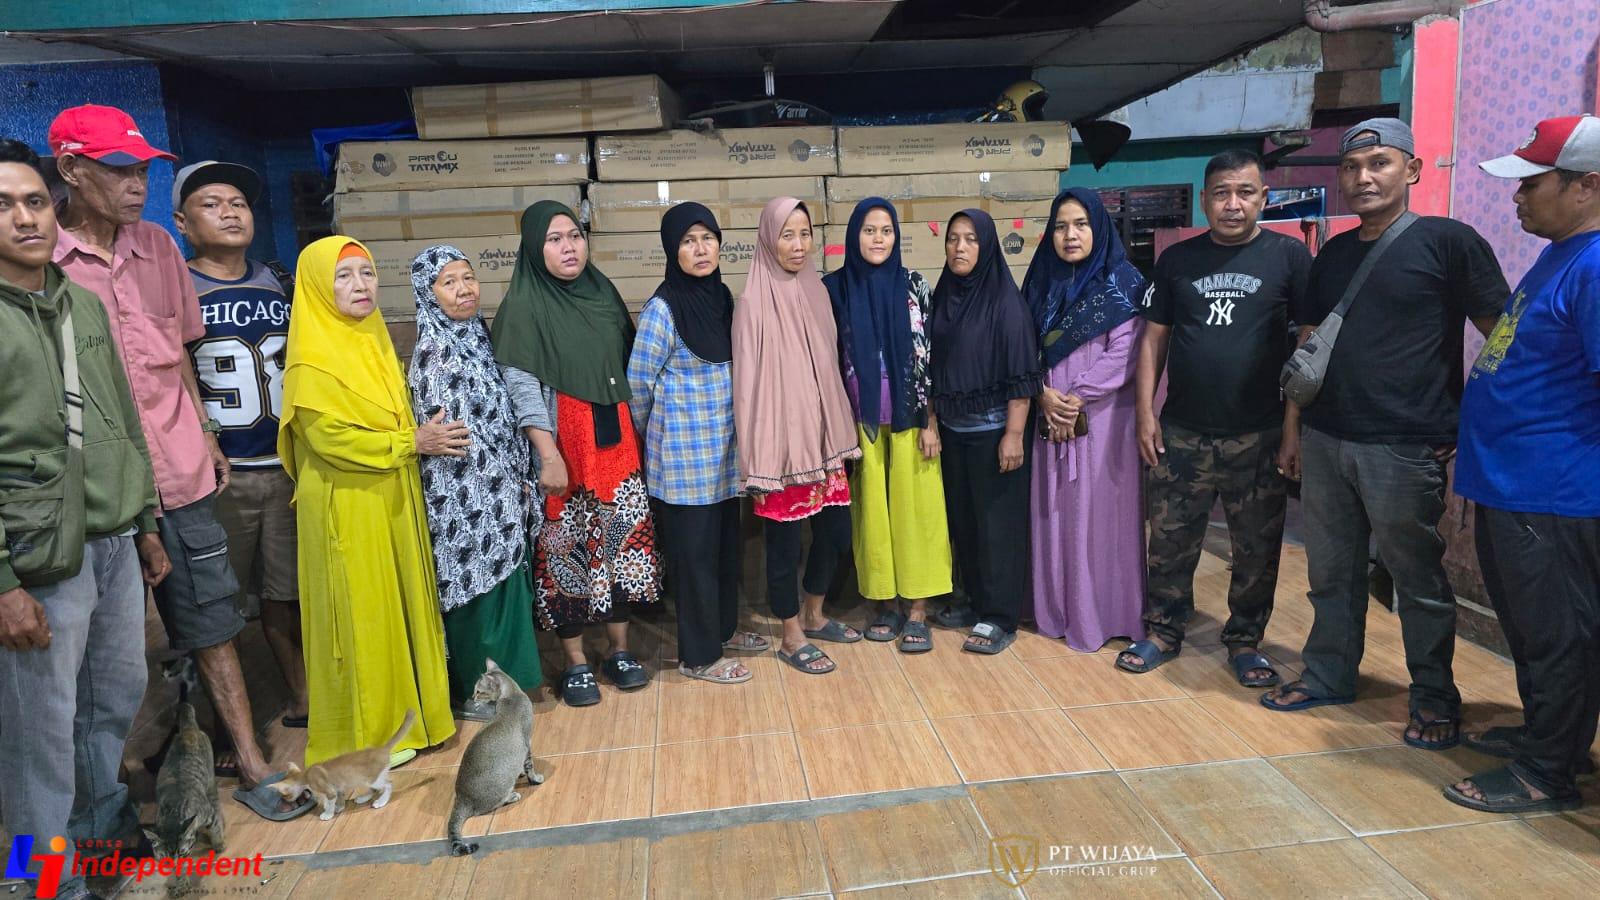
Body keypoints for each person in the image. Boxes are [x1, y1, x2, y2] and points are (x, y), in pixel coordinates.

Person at [1263, 119, 1509, 754]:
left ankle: (1434, 698)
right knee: (1331, 573)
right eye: (1351, 167)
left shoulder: (1449, 243)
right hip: (1326, 437)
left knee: (1416, 580)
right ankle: (1328, 674)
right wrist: (1293, 429)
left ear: (1413, 170)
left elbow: (1501, 340)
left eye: (1379, 163)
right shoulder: (1333, 254)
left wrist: (1473, 422)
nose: (1363, 177)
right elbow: (1308, 346)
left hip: (1404, 446)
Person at [48, 105, 276, 791]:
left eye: (142, 171)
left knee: (212, 617)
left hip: (178, 471)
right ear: (71, 170)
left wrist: (204, 433)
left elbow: (179, 356)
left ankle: (251, 761)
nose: (135, 185)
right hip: (95, 487)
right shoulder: (45, 262)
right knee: (103, 647)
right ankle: (108, 792)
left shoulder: (157, 248)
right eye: (118, 169)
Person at [0, 137, 170, 900]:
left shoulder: (83, 305)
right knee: (35, 737)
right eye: (4, 206)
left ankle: (97, 845)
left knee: (111, 705)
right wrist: (4, 584)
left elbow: (123, 419)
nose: (25, 218)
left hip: (114, 540)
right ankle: (39, 883)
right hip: (37, 557)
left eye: (35, 201)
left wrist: (147, 521)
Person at [1444, 114, 1600, 814]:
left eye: (1533, 184)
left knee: (1560, 635)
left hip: (1555, 493)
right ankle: (1548, 738)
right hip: (1513, 485)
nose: (1517, 196)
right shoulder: (1561, 253)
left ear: (1586, 186)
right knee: (1534, 631)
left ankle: (1547, 772)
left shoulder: (1596, 266)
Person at [1117, 151, 1310, 683]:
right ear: (1204, 200)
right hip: (1183, 431)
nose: (1232, 204)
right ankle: (1164, 630)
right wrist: (1145, 414)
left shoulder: (1289, 258)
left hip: (1260, 432)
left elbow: (1307, 344)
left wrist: (1292, 427)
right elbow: (1153, 340)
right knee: (1170, 540)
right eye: (1221, 193)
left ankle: (1245, 641)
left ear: (1263, 197)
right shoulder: (1177, 261)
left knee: (1256, 547)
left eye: (1245, 192)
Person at [279, 236, 455, 767]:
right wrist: (411, 442)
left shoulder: (374, 340)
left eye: (367, 273)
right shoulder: (311, 362)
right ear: (316, 287)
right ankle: (370, 738)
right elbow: (329, 439)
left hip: (391, 493)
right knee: (362, 617)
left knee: (400, 606)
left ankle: (416, 720)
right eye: (343, 276)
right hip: (348, 504)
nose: (360, 285)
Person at [492, 201, 661, 707]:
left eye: (574, 236)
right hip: (564, 446)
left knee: (622, 546)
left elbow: (628, 366)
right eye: (554, 239)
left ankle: (619, 651)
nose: (569, 247)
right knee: (566, 551)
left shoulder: (602, 292)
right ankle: (576, 661)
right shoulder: (523, 307)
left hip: (616, 444)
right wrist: (547, 453)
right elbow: (522, 385)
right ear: (534, 248)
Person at [172, 160, 309, 734]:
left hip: (284, 466)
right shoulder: (179, 286)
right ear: (182, 222)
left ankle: (301, 696)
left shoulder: (277, 279)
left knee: (287, 592)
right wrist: (203, 435)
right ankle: (223, 727)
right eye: (211, 204)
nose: (230, 213)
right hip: (222, 473)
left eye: (239, 203)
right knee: (217, 603)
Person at [407, 245, 542, 717]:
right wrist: (502, 479)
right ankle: (476, 693)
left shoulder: (477, 335)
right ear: (428, 293)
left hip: (500, 489)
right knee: (474, 592)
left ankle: (509, 689)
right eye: (449, 282)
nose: (464, 289)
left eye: (468, 278)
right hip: (464, 496)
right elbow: (452, 433)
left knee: (503, 589)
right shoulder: (434, 350)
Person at [628, 203, 758, 684]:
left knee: (724, 550)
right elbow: (637, 386)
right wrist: (659, 441)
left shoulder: (721, 296)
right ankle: (699, 656)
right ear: (672, 250)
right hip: (684, 461)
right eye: (688, 241)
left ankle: (723, 631)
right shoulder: (662, 310)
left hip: (723, 456)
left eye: (707, 238)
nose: (700, 249)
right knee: (696, 560)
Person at [733, 197, 863, 675]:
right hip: (781, 449)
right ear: (769, 239)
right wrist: (757, 458)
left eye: (805, 234)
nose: (798, 244)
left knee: (837, 532)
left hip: (824, 443)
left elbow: (829, 365)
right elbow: (747, 386)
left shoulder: (817, 290)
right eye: (787, 235)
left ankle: (814, 612)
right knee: (784, 544)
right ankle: (790, 634)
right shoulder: (751, 302)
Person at [823, 198, 951, 652]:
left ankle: (917, 608)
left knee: (918, 512)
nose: (878, 239)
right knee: (872, 515)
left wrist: (931, 420)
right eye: (869, 230)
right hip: (859, 423)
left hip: (910, 418)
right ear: (853, 235)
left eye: (886, 231)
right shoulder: (834, 288)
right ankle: (885, 603)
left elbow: (932, 356)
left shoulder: (914, 284)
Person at [1023, 188, 1146, 653]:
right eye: (1060, 226)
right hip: (1049, 419)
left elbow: (1127, 351)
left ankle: (1105, 615)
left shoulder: (1124, 282)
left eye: (1080, 224)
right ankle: (1057, 611)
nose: (1070, 235)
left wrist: (1076, 397)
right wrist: (1042, 393)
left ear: (1099, 227)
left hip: (1103, 422)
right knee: (1055, 514)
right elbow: (1022, 347)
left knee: (1101, 518)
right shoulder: (1041, 284)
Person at [927, 209, 1043, 655]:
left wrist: (1014, 434)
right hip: (953, 431)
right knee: (964, 522)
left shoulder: (1005, 303)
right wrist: (933, 421)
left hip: (995, 432)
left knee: (998, 527)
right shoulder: (943, 295)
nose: (959, 248)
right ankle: (971, 600)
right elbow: (930, 365)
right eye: (953, 238)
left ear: (988, 246)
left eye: (971, 239)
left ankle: (999, 616)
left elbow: (1021, 375)